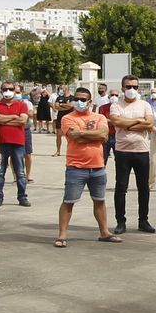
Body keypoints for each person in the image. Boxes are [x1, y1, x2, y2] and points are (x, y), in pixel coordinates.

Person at [55, 86, 119, 246]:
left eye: (82, 99)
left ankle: (104, 232)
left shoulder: (99, 117)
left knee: (99, 201)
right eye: (76, 99)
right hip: (75, 167)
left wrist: (82, 133)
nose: (79, 102)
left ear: (90, 102)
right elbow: (74, 137)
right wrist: (94, 135)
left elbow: (103, 134)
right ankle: (62, 235)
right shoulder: (67, 118)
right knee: (69, 201)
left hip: (98, 167)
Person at [106, 75, 155, 234]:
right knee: (121, 187)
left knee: (143, 188)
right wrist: (139, 121)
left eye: (135, 87)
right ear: (123, 88)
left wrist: (127, 124)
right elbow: (117, 122)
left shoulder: (145, 105)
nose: (132, 90)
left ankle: (143, 220)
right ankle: (120, 221)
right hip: (122, 151)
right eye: (128, 87)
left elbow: (149, 124)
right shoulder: (116, 105)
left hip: (142, 151)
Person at [0, 82, 32, 209]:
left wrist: (3, 120)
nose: (7, 91)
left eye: (10, 89)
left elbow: (22, 120)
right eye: (5, 89)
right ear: (1, 90)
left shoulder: (22, 105)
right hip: (1, 143)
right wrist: (14, 117)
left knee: (20, 172)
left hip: (18, 143)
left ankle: (22, 197)